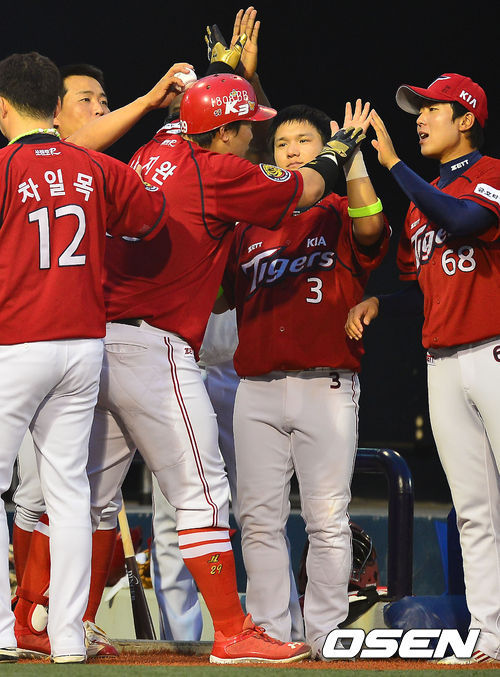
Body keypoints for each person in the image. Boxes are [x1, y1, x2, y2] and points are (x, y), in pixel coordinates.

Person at [82, 72, 365, 665]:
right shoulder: (216, 170)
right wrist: (340, 148)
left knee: (93, 499)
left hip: (99, 338)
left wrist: (221, 76)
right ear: (224, 131)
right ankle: (234, 632)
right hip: (154, 345)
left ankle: (60, 620)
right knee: (204, 495)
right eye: (246, 129)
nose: (251, 140)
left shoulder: (158, 146)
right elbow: (307, 187)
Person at [11, 60, 192, 659]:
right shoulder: (94, 167)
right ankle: (58, 632)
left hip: (29, 341)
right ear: (53, 108)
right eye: (85, 100)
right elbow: (151, 218)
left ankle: (18, 628)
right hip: (76, 343)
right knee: (63, 493)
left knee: (42, 493)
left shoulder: (11, 166)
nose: (97, 108)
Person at [222, 101, 389, 660]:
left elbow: (372, 228)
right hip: (257, 390)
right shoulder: (249, 223)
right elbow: (220, 296)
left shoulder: (338, 209)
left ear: (325, 150)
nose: (291, 151)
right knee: (257, 519)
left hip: (326, 384)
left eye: (304, 142)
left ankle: (325, 633)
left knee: (327, 518)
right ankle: (273, 633)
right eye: (281, 144)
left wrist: (355, 156)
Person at [345, 72, 500, 664]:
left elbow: (464, 222)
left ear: (467, 119)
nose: (421, 118)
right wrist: (382, 302)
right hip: (442, 363)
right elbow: (424, 291)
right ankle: (489, 637)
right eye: (419, 110)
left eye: (433, 108)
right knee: (473, 510)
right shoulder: (418, 206)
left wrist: (392, 165)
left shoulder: (491, 175)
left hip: (492, 353)